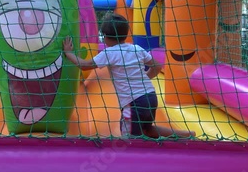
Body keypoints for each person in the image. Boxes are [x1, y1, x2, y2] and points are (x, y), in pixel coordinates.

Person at [63, 13, 196, 138]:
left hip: (134, 103)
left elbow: (85, 65)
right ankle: (185, 134)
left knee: (129, 138)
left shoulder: (109, 53)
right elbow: (156, 66)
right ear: (125, 35)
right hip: (150, 96)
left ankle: (132, 160)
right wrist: (145, 79)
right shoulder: (136, 48)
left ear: (104, 36)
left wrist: (69, 53)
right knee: (147, 129)